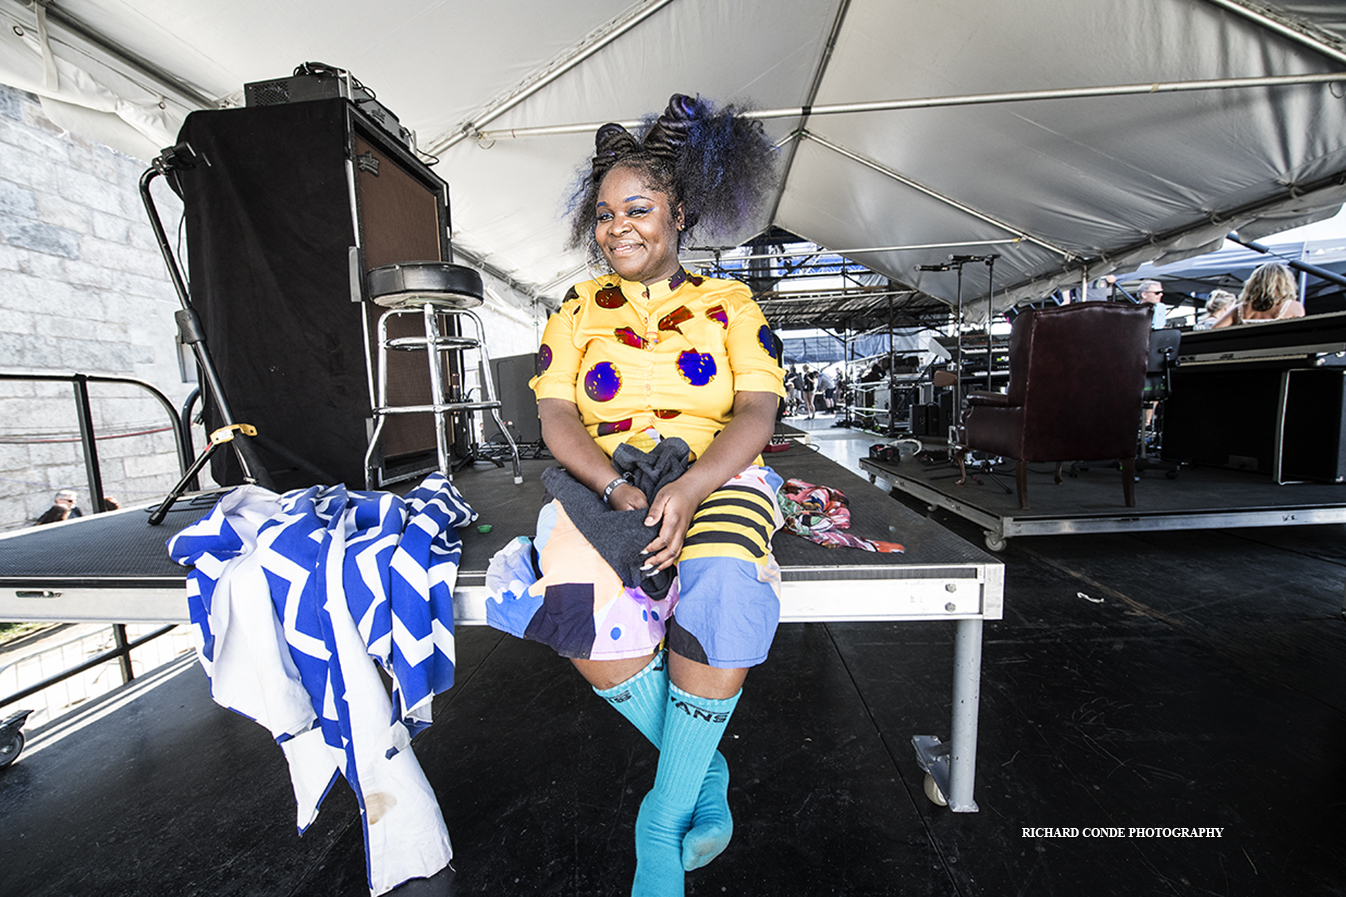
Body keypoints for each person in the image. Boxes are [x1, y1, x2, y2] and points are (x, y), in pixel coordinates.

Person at [486, 93, 783, 897]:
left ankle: (660, 817)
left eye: (639, 208)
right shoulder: (576, 309)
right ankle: (703, 771)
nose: (619, 226)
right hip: (601, 481)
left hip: (714, 472)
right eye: (607, 212)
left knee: (721, 586)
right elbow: (554, 413)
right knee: (573, 603)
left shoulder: (732, 304)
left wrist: (690, 486)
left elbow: (757, 410)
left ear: (679, 212)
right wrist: (614, 486)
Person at [1212, 262, 1306, 328]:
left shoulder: (1240, 309)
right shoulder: (1293, 307)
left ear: (1254, 283)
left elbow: (1215, 330)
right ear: (1286, 283)